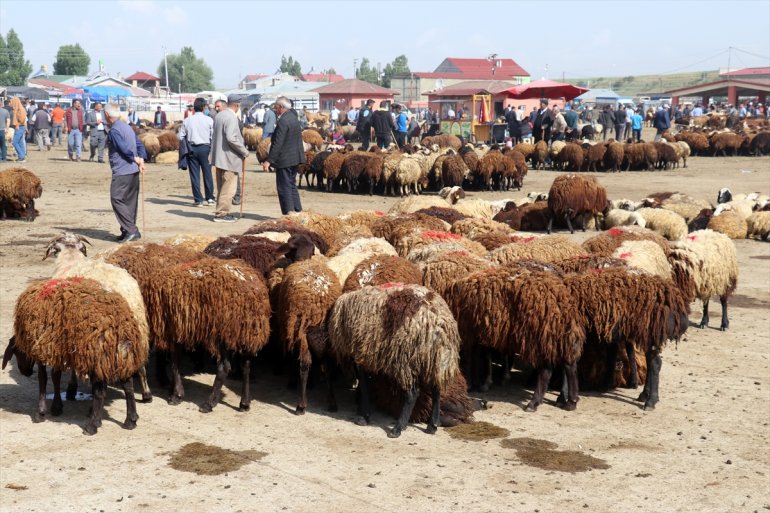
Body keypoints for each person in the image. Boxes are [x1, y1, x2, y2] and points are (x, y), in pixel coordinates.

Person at [104, 104, 147, 243]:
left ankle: (132, 230)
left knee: (116, 198)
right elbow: (139, 144)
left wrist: (135, 158)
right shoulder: (127, 126)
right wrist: (141, 158)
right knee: (130, 201)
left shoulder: (114, 130)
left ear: (106, 115)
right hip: (133, 170)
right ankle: (127, 230)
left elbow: (122, 148)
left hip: (122, 171)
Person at [210, 95, 249, 223]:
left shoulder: (219, 115)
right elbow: (231, 138)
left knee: (222, 187)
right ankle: (222, 214)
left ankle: (220, 212)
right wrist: (244, 151)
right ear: (237, 105)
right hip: (229, 158)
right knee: (229, 188)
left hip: (219, 157)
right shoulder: (231, 117)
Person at [264, 96, 305, 215]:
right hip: (295, 157)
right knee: (292, 185)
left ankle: (289, 212)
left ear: (281, 107)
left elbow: (278, 143)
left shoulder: (283, 121)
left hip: (285, 159)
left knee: (284, 186)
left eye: (276, 107)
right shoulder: (293, 118)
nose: (275, 109)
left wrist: (269, 160)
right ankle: (297, 210)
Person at [178, 97, 215, 207]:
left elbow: (180, 136)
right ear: (204, 108)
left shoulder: (187, 120)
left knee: (194, 175)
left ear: (194, 108)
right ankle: (210, 198)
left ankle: (198, 200)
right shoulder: (209, 120)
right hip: (206, 149)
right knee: (207, 173)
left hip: (192, 149)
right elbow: (213, 136)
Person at [10, 97, 28, 163]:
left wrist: (17, 123)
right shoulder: (18, 109)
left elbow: (22, 119)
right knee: (20, 142)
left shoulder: (20, 109)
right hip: (20, 127)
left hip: (19, 127)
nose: (11, 103)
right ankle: (22, 156)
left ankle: (21, 156)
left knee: (14, 142)